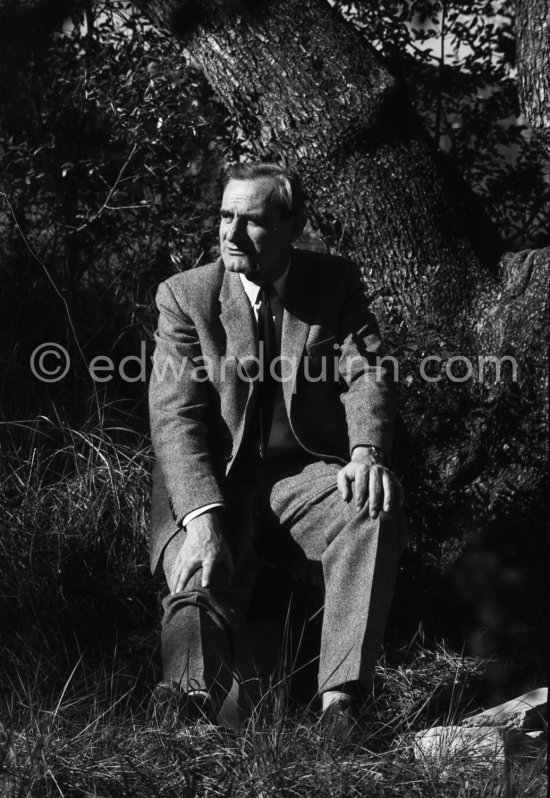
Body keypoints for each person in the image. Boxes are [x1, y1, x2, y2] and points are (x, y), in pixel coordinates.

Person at [148, 162, 407, 736]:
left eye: (254, 221)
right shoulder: (186, 297)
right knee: (200, 566)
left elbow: (366, 370)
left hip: (299, 474)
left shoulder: (333, 282)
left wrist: (366, 451)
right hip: (210, 480)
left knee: (369, 511)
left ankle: (342, 706)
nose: (232, 234)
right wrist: (200, 517)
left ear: (295, 226)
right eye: (225, 216)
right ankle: (186, 714)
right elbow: (176, 416)